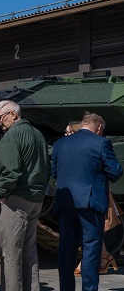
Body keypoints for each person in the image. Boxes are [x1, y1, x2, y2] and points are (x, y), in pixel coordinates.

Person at [52, 112, 122, 291]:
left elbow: (55, 173)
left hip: (65, 203)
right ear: (99, 128)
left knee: (66, 248)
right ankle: (89, 289)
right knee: (91, 249)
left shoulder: (60, 144)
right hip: (90, 202)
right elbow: (115, 172)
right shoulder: (101, 143)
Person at [0, 100, 50, 291]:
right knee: (29, 251)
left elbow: (10, 172)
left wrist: (1, 193)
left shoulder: (11, 136)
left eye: (0, 117)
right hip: (35, 198)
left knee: (10, 253)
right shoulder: (37, 134)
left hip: (16, 199)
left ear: (13, 115)